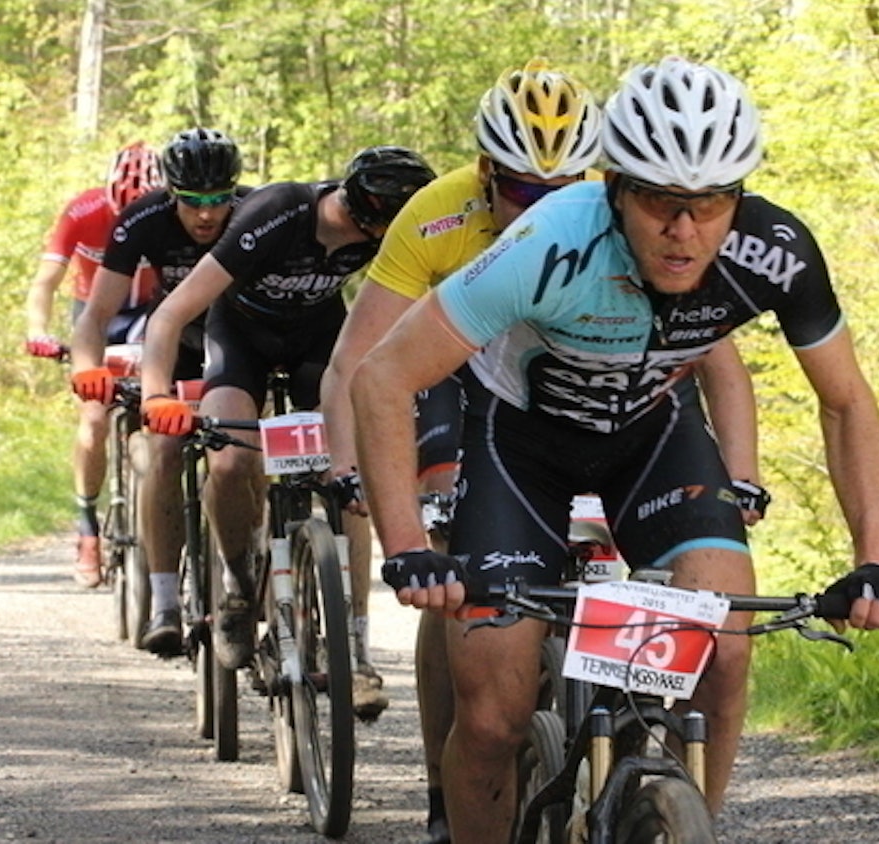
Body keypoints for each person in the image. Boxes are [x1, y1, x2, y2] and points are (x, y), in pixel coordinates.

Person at [351, 57, 879, 842]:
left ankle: (682, 824)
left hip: (655, 439)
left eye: (710, 204)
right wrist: (408, 546)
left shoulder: (777, 251)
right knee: (492, 717)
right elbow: (381, 377)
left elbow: (846, 399)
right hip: (519, 450)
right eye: (658, 202)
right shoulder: (547, 243)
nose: (684, 232)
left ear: (739, 197)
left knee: (723, 652)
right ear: (615, 187)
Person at [321, 59, 765, 843]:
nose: (547, 202)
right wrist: (360, 478)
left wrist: (742, 477)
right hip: (466, 379)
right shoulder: (439, 217)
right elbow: (363, 361)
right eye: (526, 188)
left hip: (609, 401)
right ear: (487, 175)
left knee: (709, 622)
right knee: (453, 546)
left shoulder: (627, 233)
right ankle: (451, 780)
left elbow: (717, 361)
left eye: (566, 186)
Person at [138, 145, 436, 716]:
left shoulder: (387, 234)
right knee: (230, 459)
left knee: (349, 482)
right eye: (369, 225)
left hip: (318, 341)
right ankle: (237, 585)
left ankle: (355, 648)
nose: (370, 238)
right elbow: (171, 314)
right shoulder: (276, 213)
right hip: (239, 337)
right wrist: (155, 394)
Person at [70, 127, 246, 653]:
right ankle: (165, 602)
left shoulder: (256, 214)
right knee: (164, 450)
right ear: (171, 193)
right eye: (192, 202)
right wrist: (87, 368)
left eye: (218, 200)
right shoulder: (142, 219)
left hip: (244, 342)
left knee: (242, 456)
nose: (207, 215)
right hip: (178, 340)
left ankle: (245, 567)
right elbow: (95, 315)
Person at [23, 141, 163, 587]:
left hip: (151, 313)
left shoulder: (172, 215)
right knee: (94, 417)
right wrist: (38, 330)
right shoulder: (81, 211)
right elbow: (45, 282)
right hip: (94, 315)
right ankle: (87, 527)